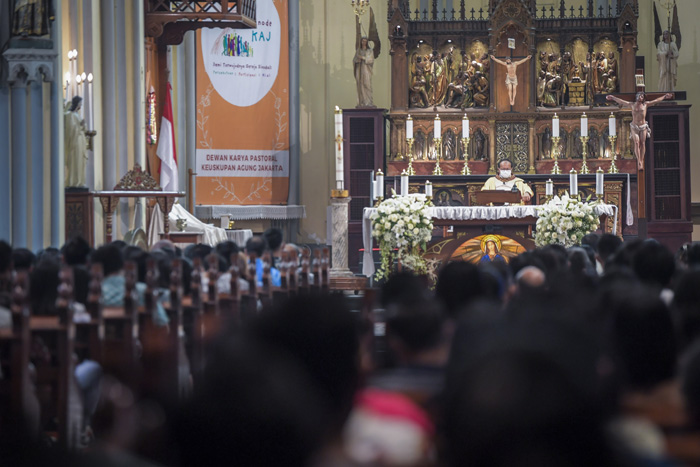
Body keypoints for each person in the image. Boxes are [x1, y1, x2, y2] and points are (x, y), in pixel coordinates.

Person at [606, 92, 672, 170]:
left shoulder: (645, 104)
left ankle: (642, 159)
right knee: (637, 142)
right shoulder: (632, 104)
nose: (640, 97)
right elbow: (622, 101)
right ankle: (639, 161)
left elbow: (656, 100)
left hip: (643, 126)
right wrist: (613, 98)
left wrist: (664, 97)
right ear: (637, 96)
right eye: (639, 95)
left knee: (643, 143)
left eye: (642, 96)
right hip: (634, 126)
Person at [64, 96, 89, 188]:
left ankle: (80, 181)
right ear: (77, 104)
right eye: (80, 104)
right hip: (75, 142)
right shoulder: (69, 115)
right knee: (75, 161)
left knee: (80, 162)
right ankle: (73, 182)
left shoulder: (77, 115)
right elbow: (70, 129)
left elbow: (83, 128)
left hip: (80, 140)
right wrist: (80, 126)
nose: (81, 106)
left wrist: (83, 125)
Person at [353, 37, 375, 108]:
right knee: (360, 84)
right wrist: (357, 60)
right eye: (363, 41)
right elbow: (354, 60)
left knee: (367, 84)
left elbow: (371, 60)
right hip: (360, 69)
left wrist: (362, 58)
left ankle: (368, 102)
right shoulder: (358, 51)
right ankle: (362, 101)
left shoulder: (369, 51)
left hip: (366, 69)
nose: (364, 42)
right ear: (361, 42)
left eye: (365, 41)